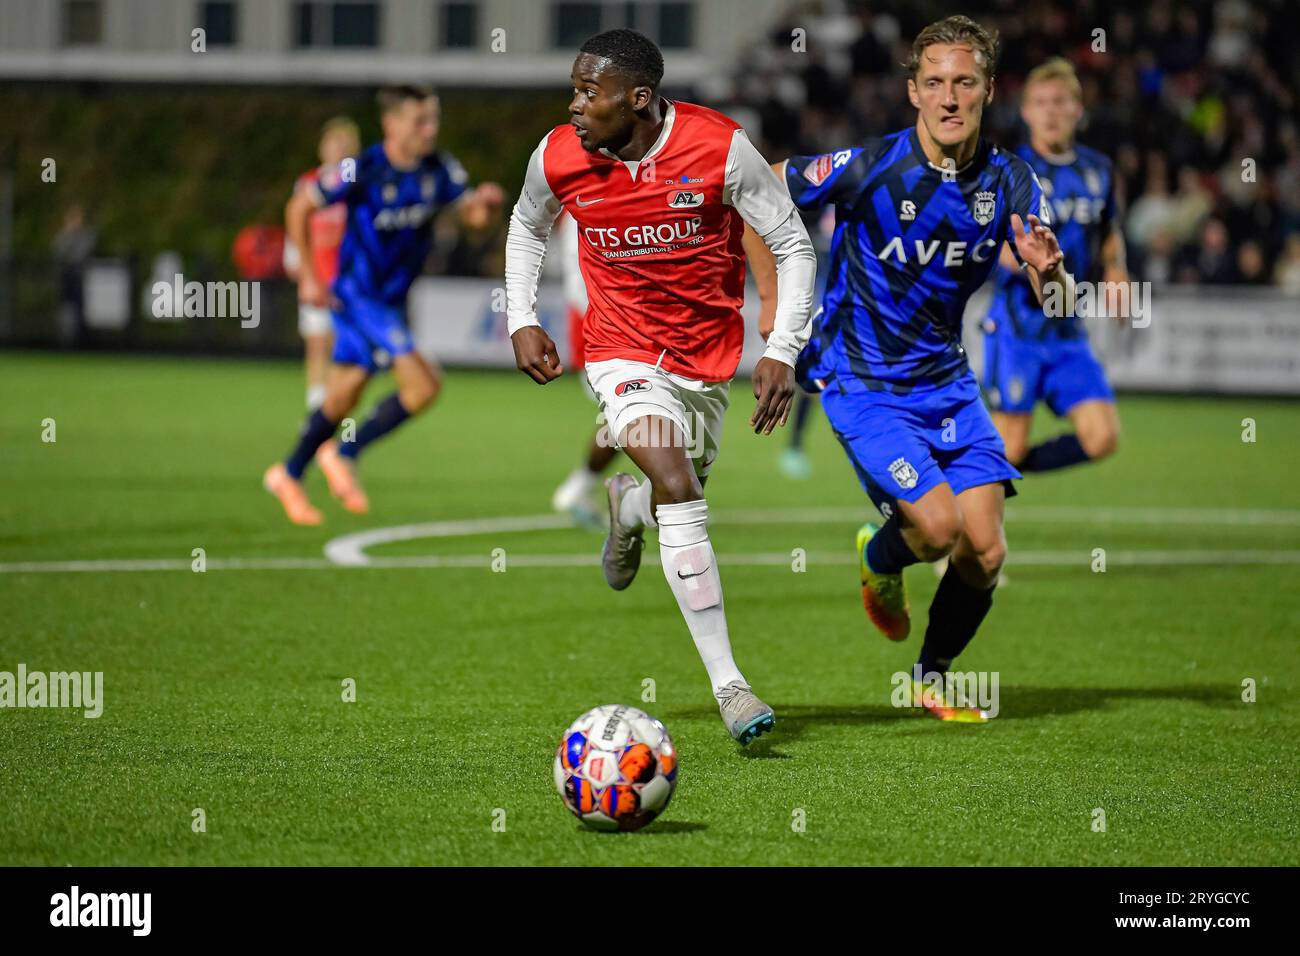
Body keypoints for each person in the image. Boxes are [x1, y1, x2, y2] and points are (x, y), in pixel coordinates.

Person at [505, 29, 816, 744]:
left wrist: (784, 348)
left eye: (591, 92)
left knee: (681, 485)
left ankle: (628, 504)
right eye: (574, 89)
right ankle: (730, 685)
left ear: (638, 100)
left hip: (707, 362)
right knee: (680, 481)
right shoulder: (557, 155)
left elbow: (794, 243)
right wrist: (521, 318)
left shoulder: (719, 148)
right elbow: (527, 225)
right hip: (618, 353)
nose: (575, 105)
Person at [774, 16, 1071, 721]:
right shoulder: (871, 167)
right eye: (934, 82)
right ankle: (880, 562)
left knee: (987, 552)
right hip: (861, 382)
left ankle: (929, 678)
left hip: (947, 384)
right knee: (938, 530)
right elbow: (764, 189)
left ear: (988, 90)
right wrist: (768, 306)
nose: (948, 97)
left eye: (963, 82)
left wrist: (1051, 273)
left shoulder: (1010, 181)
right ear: (912, 91)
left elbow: (1056, 304)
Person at [264, 85, 503, 524]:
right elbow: (298, 208)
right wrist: (310, 279)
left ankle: (289, 471)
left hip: (391, 302)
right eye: (420, 122)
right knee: (425, 386)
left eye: (433, 121)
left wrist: (484, 208)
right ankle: (345, 452)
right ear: (391, 124)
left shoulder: (439, 169)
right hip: (356, 296)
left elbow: (470, 217)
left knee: (342, 399)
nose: (429, 131)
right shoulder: (362, 168)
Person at [981, 58, 1125, 473]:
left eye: (1060, 101)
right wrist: (1028, 264)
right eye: (1040, 102)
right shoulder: (1009, 170)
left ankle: (994, 470)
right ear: (1026, 111)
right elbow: (990, 240)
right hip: (1017, 325)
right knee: (1009, 449)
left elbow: (1108, 229)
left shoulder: (1099, 170)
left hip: (1066, 327)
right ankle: (933, 502)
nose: (1051, 111)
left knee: (1102, 437)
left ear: (1078, 109)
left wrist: (1117, 271)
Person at [283, 116, 360, 412]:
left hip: (348, 277)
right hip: (316, 273)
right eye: (333, 143)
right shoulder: (308, 183)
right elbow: (297, 222)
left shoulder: (357, 182)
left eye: (344, 144)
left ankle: (336, 404)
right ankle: (315, 403)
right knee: (317, 340)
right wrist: (295, 261)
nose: (338, 149)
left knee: (346, 346)